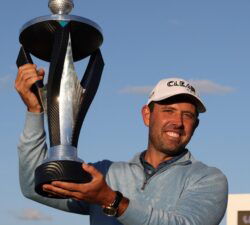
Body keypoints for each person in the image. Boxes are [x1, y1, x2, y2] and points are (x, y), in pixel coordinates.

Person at [15, 64, 228, 225]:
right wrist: (35, 111)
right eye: (168, 111)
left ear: (195, 125)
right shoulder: (105, 174)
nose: (178, 122)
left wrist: (110, 200)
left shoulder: (208, 179)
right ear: (147, 115)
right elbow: (33, 185)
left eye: (187, 115)